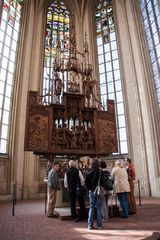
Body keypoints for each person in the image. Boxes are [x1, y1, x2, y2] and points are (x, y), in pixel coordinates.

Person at [85, 158, 105, 230]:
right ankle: (99, 225)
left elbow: (86, 183)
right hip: (99, 191)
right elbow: (103, 182)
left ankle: (90, 225)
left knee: (91, 207)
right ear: (98, 164)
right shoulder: (100, 171)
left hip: (91, 192)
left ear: (91, 164)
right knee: (99, 207)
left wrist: (90, 189)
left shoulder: (88, 172)